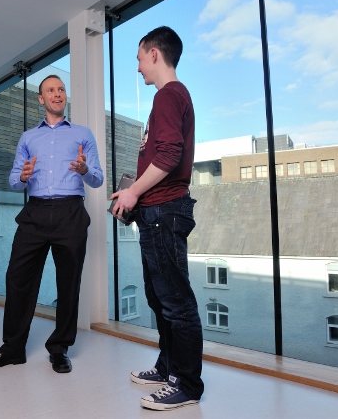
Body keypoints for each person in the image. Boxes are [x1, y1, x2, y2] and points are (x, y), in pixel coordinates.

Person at [0, 75, 103, 374]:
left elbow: (97, 179)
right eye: (50, 90)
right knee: (17, 278)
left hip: (70, 212)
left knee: (68, 283)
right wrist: (23, 175)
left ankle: (59, 349)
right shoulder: (27, 138)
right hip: (34, 213)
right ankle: (12, 349)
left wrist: (85, 169)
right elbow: (13, 181)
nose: (57, 94)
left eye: (61, 90)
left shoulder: (83, 134)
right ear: (41, 99)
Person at [110, 26, 204, 411]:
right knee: (158, 296)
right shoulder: (171, 97)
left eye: (137, 58)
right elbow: (164, 154)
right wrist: (136, 196)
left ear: (153, 53)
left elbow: (167, 155)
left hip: (165, 210)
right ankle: (169, 368)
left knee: (176, 301)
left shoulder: (169, 95)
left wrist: (133, 191)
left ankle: (187, 384)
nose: (137, 68)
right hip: (157, 211)